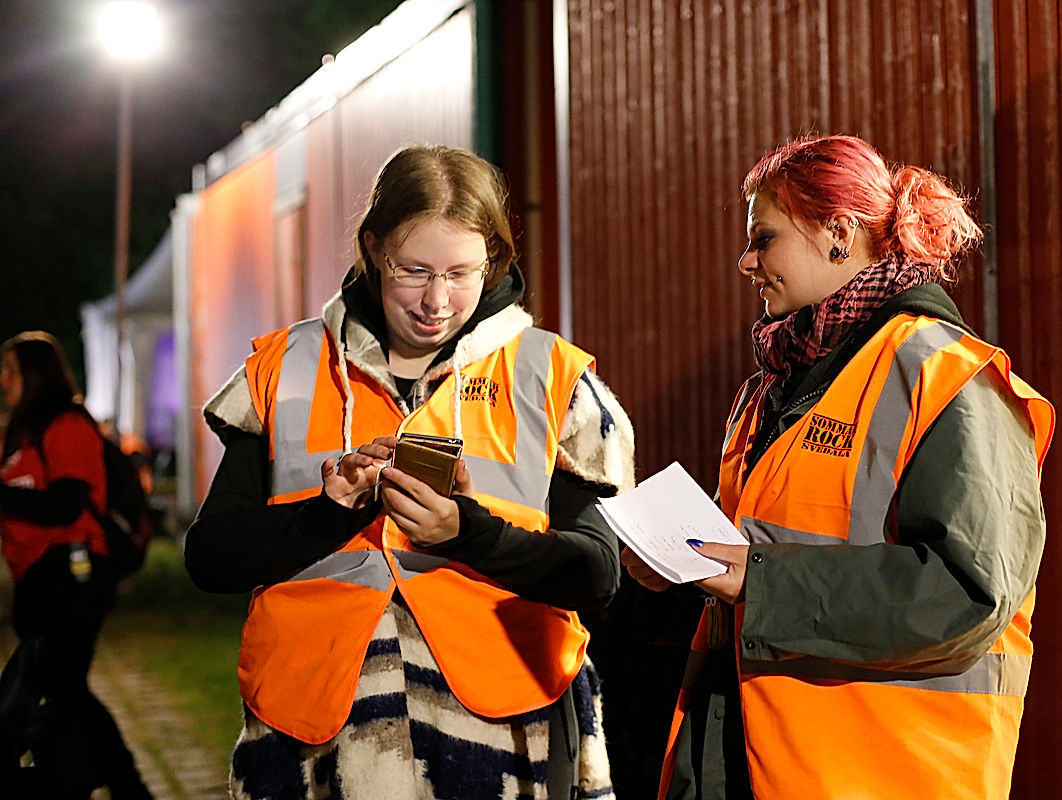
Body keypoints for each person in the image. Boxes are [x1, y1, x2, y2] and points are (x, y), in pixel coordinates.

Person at [185, 144, 635, 800]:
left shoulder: (546, 374)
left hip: (503, 728)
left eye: (461, 272)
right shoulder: (287, 366)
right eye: (412, 270)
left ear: (496, 261)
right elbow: (212, 560)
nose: (436, 299)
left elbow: (598, 575)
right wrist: (327, 514)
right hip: (317, 733)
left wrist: (466, 532)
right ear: (372, 249)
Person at [622, 135, 1055, 800]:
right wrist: (673, 576)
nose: (746, 261)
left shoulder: (948, 377)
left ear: (837, 233)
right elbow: (745, 567)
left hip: (880, 776)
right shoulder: (768, 390)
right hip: (748, 759)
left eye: (763, 238)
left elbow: (972, 590)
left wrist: (759, 584)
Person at [0, 331, 153, 799]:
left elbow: (66, 505)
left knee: (59, 685)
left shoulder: (67, 424)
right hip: (39, 579)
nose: (2, 380)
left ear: (34, 372)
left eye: (8, 370)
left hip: (73, 575)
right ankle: (101, 781)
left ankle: (111, 784)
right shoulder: (21, 430)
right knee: (64, 688)